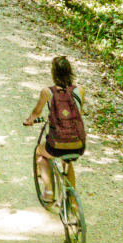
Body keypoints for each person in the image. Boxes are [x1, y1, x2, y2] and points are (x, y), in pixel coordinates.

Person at [23, 55, 85, 191]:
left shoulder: (47, 92)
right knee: (67, 161)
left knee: (40, 153)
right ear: (70, 72)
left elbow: (36, 112)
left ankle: (49, 191)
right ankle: (72, 202)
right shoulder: (80, 90)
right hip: (78, 143)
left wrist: (29, 121)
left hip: (57, 144)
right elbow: (77, 113)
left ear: (53, 74)